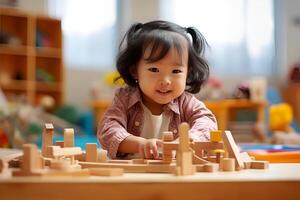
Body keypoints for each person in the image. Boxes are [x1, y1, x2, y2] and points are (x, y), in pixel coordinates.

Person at [98, 20, 217, 159]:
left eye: (176, 71)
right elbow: (108, 130)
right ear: (135, 70)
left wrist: (187, 140)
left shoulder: (187, 103)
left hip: (174, 174)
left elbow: (207, 123)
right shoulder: (124, 99)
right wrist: (140, 144)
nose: (165, 81)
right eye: (154, 69)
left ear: (188, 73)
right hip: (132, 174)